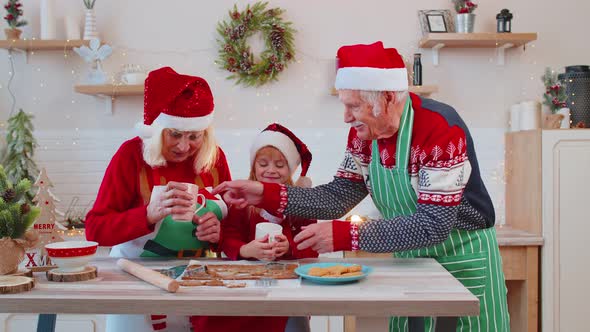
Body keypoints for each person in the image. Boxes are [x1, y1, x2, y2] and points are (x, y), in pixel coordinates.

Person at [214, 41, 510, 331]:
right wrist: (264, 194)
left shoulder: (439, 129)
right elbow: (336, 197)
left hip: (461, 258)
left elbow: (434, 225)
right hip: (412, 260)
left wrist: (346, 235)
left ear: (387, 99)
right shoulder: (363, 137)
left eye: (353, 106)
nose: (345, 117)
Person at [85, 66, 230, 332]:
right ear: (156, 129)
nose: (184, 146)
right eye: (174, 134)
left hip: (195, 281)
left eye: (194, 136)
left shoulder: (214, 159)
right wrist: (148, 215)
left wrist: (218, 234)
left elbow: (232, 228)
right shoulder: (131, 156)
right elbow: (95, 229)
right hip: (134, 279)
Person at [192, 123, 317, 332]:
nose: (271, 170)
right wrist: (245, 249)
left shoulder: (301, 204)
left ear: (291, 169)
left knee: (295, 321)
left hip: (286, 289)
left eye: (280, 165)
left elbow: (312, 247)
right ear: (254, 166)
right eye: (263, 163)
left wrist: (289, 248)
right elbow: (227, 237)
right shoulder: (241, 201)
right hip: (244, 286)